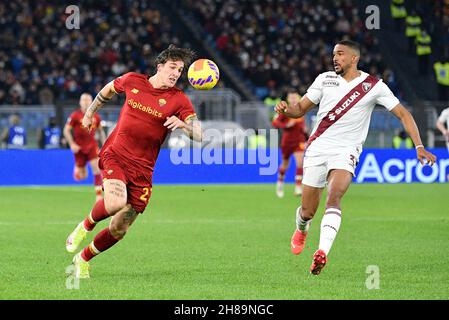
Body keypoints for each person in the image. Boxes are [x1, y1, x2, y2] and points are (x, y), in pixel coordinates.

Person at [275, 40, 436, 275]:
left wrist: (419, 145)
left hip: (347, 150)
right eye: (333, 54)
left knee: (334, 196)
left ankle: (322, 252)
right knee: (307, 210)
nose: (335, 58)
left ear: (354, 58)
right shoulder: (324, 79)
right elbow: (299, 109)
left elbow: (403, 113)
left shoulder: (374, 86)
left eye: (340, 54)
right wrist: (285, 110)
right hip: (318, 147)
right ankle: (302, 228)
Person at [65, 44, 202, 279]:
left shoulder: (179, 100)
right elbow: (107, 91)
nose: (175, 74)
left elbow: (200, 135)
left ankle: (83, 258)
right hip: (116, 155)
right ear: (159, 66)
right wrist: (89, 113)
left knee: (119, 228)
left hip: (143, 170)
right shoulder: (132, 81)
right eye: (172, 67)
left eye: (179, 70)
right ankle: (84, 226)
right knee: (116, 202)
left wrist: (185, 126)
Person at [63, 93, 107, 201]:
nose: (86, 102)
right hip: (79, 148)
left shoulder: (96, 116)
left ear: (92, 101)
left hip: (92, 146)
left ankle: (98, 196)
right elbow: (66, 130)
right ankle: (78, 169)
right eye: (84, 100)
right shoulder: (75, 115)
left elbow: (101, 132)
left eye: (88, 100)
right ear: (80, 102)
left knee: (96, 169)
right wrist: (72, 144)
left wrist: (105, 145)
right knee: (81, 176)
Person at [272, 90, 308, 197]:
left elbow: (301, 125)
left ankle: (298, 187)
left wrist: (305, 132)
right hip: (287, 142)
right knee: (285, 164)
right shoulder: (285, 110)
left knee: (300, 162)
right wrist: (286, 125)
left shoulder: (302, 109)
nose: (293, 99)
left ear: (299, 98)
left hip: (299, 140)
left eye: (294, 97)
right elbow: (275, 122)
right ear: (288, 99)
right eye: (291, 98)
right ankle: (280, 183)